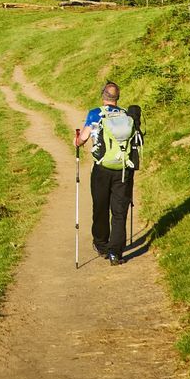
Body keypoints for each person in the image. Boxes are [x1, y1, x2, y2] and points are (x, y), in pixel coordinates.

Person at [74, 80, 140, 265]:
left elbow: (82, 140)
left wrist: (77, 140)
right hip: (123, 171)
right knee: (119, 212)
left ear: (103, 95)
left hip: (102, 170)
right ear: (117, 98)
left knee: (100, 207)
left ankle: (102, 245)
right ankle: (115, 253)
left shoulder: (96, 114)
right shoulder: (126, 115)